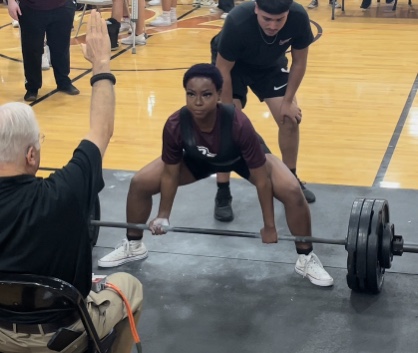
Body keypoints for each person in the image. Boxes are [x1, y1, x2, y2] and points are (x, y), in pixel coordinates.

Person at [98, 63, 334, 288]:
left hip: (242, 160)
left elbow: (261, 180)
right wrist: (163, 215)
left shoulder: (238, 123)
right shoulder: (175, 124)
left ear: (219, 95)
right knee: (140, 182)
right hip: (198, 160)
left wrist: (269, 226)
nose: (197, 102)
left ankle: (306, 257)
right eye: (191, 94)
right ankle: (133, 244)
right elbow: (169, 174)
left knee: (292, 190)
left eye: (206, 95)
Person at [0, 11, 143, 353]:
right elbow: (100, 130)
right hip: (58, 335)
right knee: (128, 286)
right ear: (32, 155)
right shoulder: (65, 190)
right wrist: (101, 63)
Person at [210, 0, 316, 223]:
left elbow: (299, 62)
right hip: (233, 67)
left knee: (290, 119)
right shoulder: (237, 20)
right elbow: (223, 71)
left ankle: (290, 179)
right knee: (226, 128)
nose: (273, 26)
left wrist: (288, 102)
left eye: (280, 20)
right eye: (267, 19)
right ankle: (222, 192)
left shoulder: (298, 16)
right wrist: (230, 114)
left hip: (269, 64)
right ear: (256, 8)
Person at [7, 0, 79, 102]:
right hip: (31, 8)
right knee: (31, 49)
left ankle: (63, 82)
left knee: (61, 47)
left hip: (62, 7)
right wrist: (11, 2)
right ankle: (32, 87)